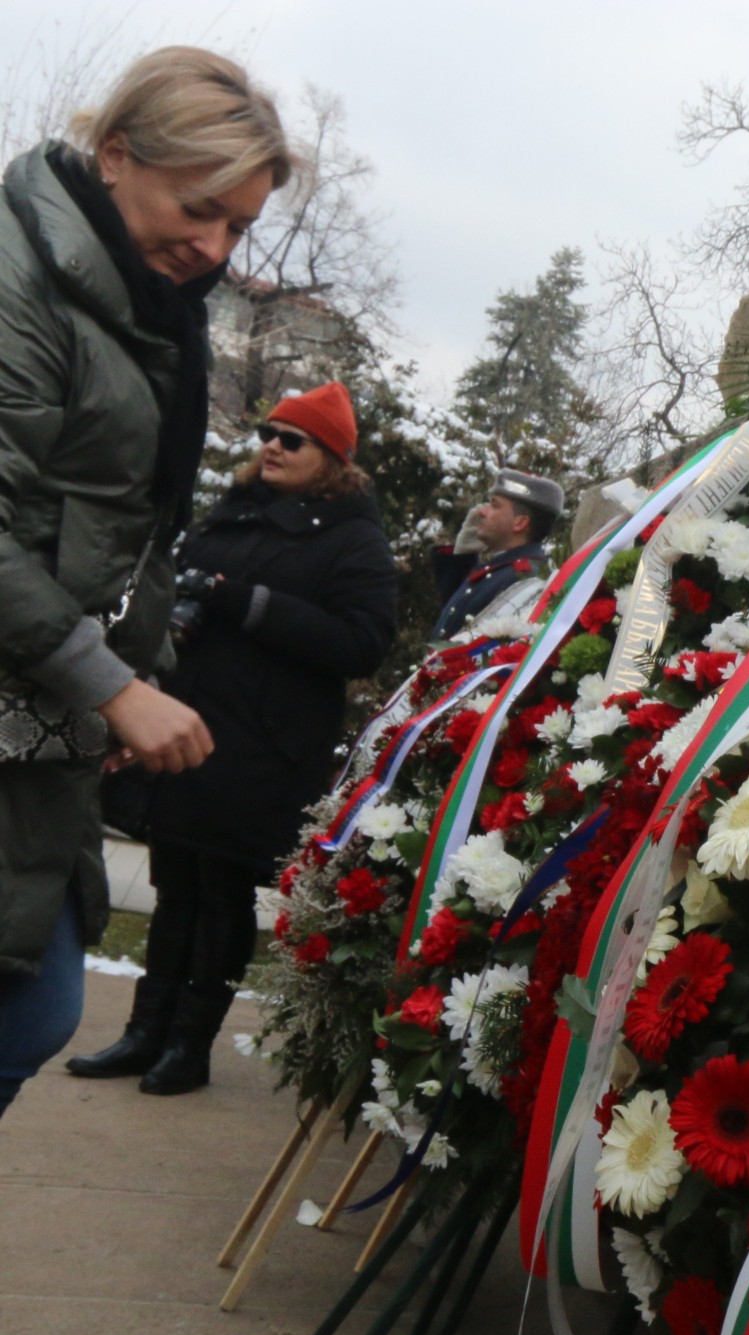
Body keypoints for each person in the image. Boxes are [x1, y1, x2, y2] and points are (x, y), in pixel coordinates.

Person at [0, 49, 294, 1120]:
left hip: (43, 721)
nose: (214, 247)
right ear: (117, 155)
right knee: (29, 1011)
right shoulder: (21, 282)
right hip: (35, 697)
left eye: (240, 227)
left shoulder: (148, 307)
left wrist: (135, 668)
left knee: (32, 1009)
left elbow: (134, 527)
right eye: (198, 207)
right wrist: (111, 685)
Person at [68, 382, 394, 1091]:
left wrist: (248, 602)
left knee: (221, 893)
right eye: (267, 434)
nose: (272, 446)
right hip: (191, 724)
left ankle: (189, 1047)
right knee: (175, 886)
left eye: (291, 439)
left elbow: (364, 641)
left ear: (331, 456)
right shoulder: (235, 510)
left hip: (264, 749)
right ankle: (143, 1033)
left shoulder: (355, 538)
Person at [431, 469, 561, 637]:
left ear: (520, 523)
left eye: (494, 505)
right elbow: (454, 620)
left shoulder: (524, 577)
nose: (482, 511)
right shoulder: (505, 569)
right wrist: (463, 556)